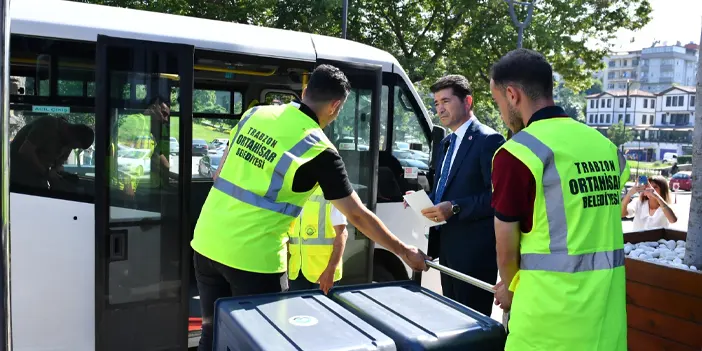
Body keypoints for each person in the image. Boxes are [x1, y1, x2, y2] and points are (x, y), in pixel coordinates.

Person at [191, 64, 429, 351]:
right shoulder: (319, 149)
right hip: (254, 259)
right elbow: (356, 214)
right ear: (336, 106)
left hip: (205, 242)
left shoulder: (255, 113)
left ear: (305, 91)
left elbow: (219, 175)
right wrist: (405, 251)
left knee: (211, 334)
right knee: (260, 343)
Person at [489, 49, 629, 350]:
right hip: (606, 324)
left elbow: (505, 253)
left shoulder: (516, 155)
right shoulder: (606, 148)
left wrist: (511, 290)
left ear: (512, 95)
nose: (500, 112)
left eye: (497, 101)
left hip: (547, 327)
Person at [418, 74, 505, 315]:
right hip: (447, 248)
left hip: (474, 254)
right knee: (454, 318)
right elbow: (444, 189)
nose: (440, 109)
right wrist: (422, 201)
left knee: (473, 323)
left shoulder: (488, 140)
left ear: (467, 101)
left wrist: (455, 207)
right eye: (436, 103)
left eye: (445, 101)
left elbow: (497, 198)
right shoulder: (446, 143)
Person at [287, 187, 348, 294]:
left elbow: (342, 234)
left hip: (323, 273)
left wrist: (331, 270)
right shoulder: (293, 192)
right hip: (296, 272)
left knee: (323, 309)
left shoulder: (331, 192)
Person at [10, 115, 94, 190]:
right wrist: (46, 172)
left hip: (37, 175)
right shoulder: (47, 125)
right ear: (73, 136)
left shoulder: (68, 143)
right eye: (75, 146)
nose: (73, 148)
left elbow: (58, 164)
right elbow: (25, 151)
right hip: (17, 174)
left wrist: (58, 173)